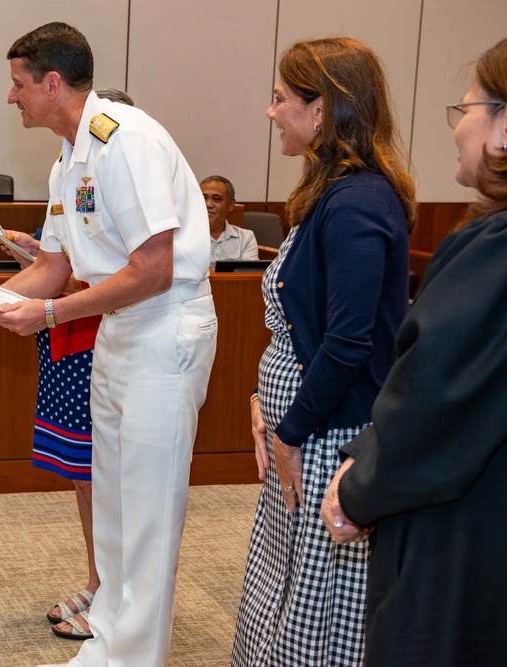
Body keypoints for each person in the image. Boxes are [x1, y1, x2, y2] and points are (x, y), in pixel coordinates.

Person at [0, 23, 216, 667]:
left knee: (149, 506)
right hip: (120, 325)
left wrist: (51, 314)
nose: (10, 98)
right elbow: (49, 267)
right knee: (112, 495)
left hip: (164, 324)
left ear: (52, 83)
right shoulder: (68, 157)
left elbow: (153, 267)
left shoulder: (124, 141)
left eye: (18, 84)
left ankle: (136, 656)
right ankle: (109, 638)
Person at [321, 38, 507, 666]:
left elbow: (436, 400)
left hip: (463, 542)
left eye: (466, 111)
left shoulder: (492, 253)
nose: (458, 130)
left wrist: (357, 487)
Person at [231, 37, 417, 666]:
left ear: (323, 110)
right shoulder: (329, 193)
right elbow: (304, 327)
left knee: (320, 601)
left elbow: (347, 344)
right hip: (303, 426)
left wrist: (290, 433)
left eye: (280, 98)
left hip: (328, 433)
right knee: (284, 587)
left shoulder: (358, 200)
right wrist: (265, 397)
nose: (271, 111)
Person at [3, 86, 138, 642]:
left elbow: (134, 270)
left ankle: (119, 591)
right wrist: (39, 258)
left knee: (107, 479)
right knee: (84, 478)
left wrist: (53, 277)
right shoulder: (68, 162)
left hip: (99, 341)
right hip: (64, 340)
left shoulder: (127, 165)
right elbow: (74, 256)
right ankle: (99, 577)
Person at [200, 175, 258, 268]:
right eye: (204, 198)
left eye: (216, 199)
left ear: (230, 205)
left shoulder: (245, 238)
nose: (208, 204)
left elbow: (248, 276)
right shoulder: (184, 236)